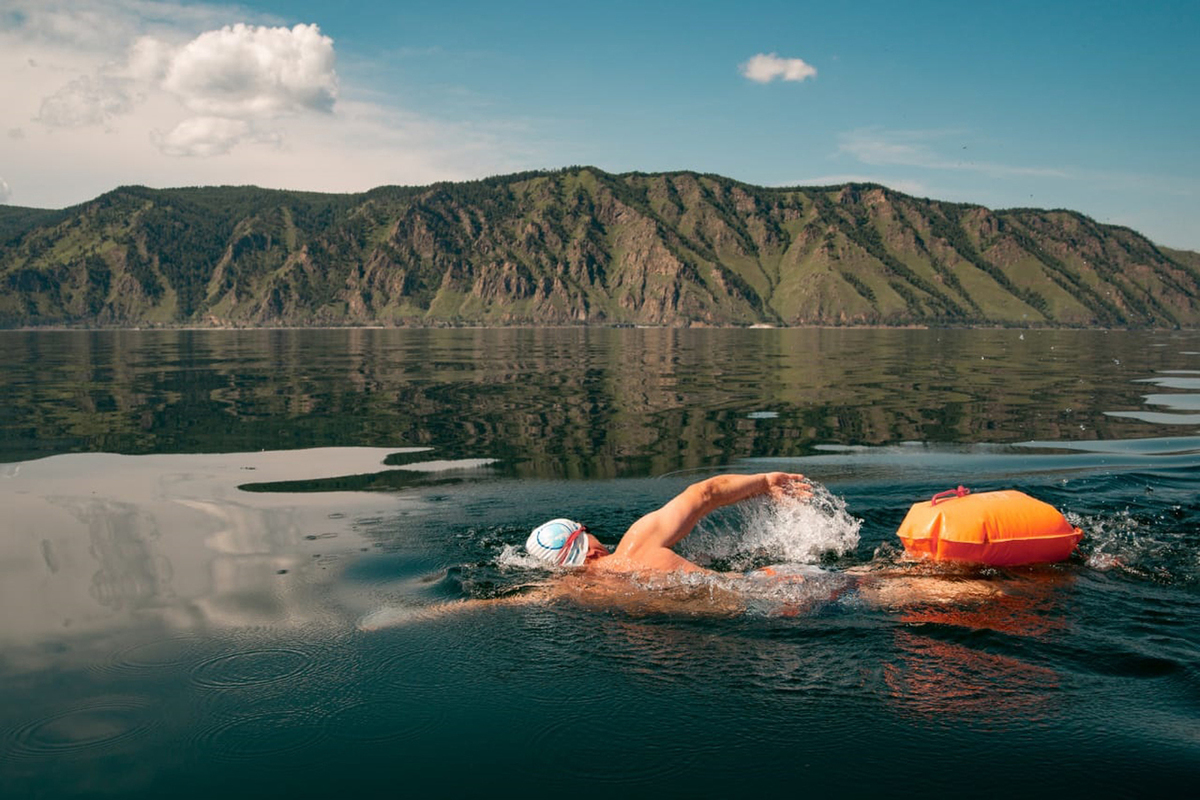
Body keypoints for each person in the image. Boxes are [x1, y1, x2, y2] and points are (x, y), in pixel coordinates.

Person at [524, 471, 811, 574]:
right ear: (589, 548)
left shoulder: (575, 595)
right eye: (586, 530)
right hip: (777, 586)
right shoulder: (638, 545)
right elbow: (704, 493)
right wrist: (764, 482)